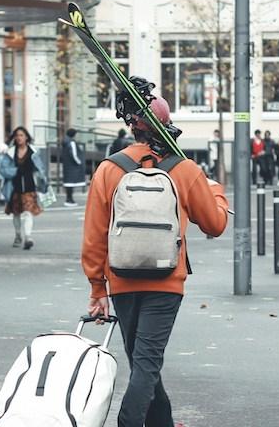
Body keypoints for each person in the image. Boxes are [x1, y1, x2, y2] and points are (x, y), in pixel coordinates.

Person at [82, 95, 229, 427]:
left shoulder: (109, 169)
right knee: (146, 364)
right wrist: (215, 190)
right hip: (166, 282)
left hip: (122, 279)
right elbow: (215, 224)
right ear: (166, 127)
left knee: (142, 363)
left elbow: (94, 235)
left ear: (132, 127)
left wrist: (97, 288)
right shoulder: (185, 170)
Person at [0, 126, 49, 250]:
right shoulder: (10, 153)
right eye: (17, 135)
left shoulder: (33, 152)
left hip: (30, 186)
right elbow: (2, 169)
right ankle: (18, 235)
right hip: (14, 186)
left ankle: (28, 237)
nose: (19, 138)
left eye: (21, 135)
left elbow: (40, 169)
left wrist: (43, 182)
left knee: (28, 212)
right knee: (16, 213)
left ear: (26, 137)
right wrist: (14, 171)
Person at [61, 128, 86, 207]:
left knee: (69, 183)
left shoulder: (65, 141)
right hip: (72, 166)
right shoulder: (71, 142)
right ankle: (69, 200)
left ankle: (69, 199)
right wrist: (79, 162)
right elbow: (74, 154)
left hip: (67, 165)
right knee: (71, 182)